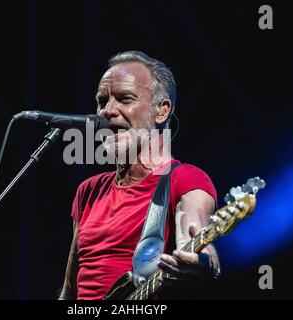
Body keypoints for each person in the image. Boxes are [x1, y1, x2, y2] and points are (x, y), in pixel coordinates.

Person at [59, 51, 220, 300]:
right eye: (102, 101)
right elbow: (70, 290)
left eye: (124, 99)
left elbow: (199, 239)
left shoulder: (185, 180)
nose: (107, 111)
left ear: (161, 111)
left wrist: (204, 263)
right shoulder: (88, 191)